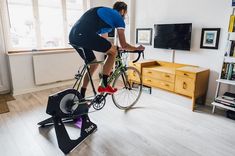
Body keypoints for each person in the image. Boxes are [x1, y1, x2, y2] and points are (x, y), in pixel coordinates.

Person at [69, 1, 145, 98]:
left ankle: (82, 95)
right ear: (122, 11)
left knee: (94, 64)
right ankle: (104, 85)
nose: (125, 16)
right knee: (113, 53)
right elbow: (124, 44)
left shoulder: (107, 15)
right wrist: (136, 49)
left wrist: (113, 47)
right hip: (84, 34)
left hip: (74, 36)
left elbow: (103, 41)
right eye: (125, 13)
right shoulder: (118, 18)